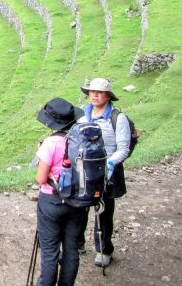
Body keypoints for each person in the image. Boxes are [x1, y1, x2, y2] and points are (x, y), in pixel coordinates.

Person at [34, 97, 89, 286]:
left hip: (52, 201)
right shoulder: (83, 140)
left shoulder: (51, 143)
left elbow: (41, 178)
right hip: (78, 202)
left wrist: (41, 154)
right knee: (72, 250)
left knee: (50, 251)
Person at [77, 78, 131, 267]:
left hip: (106, 173)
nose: (95, 95)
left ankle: (103, 249)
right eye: (92, 92)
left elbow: (123, 148)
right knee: (79, 207)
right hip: (83, 169)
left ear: (108, 96)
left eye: (99, 92)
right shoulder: (83, 114)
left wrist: (108, 164)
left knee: (104, 213)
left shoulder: (118, 118)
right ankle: (78, 243)